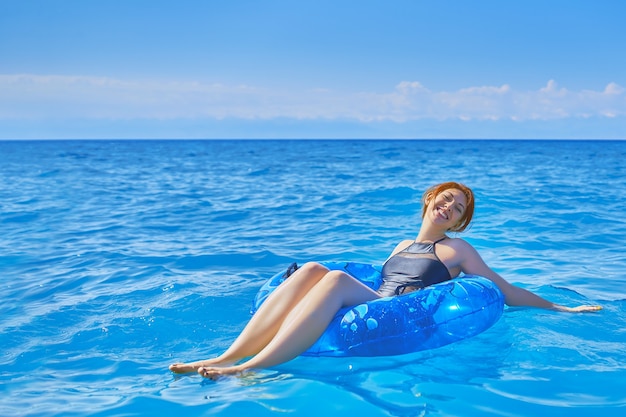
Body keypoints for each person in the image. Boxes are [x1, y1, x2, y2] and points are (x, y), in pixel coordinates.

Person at [169, 182, 601, 379]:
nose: (449, 208)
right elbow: (380, 283)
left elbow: (504, 292)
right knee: (316, 268)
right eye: (446, 200)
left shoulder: (457, 251)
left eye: (458, 209)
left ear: (461, 222)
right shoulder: (399, 245)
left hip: (400, 312)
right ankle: (225, 354)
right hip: (376, 298)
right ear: (430, 200)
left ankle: (248, 368)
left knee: (333, 277)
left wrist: (563, 308)